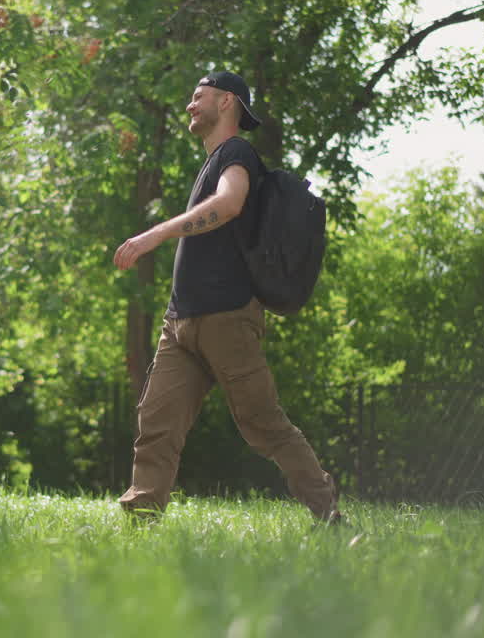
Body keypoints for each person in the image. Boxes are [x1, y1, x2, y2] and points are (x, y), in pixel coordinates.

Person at [112, 70, 341, 523]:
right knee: (157, 423)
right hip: (181, 322)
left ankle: (328, 512)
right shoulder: (212, 159)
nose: (189, 106)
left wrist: (156, 234)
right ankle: (141, 521)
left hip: (226, 318)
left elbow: (231, 202)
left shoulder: (236, 153)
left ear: (227, 102)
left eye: (199, 97)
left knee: (264, 424)